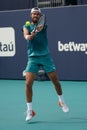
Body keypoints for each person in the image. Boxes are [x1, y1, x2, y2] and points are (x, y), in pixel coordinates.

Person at [23, 7, 69, 122]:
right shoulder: (26, 26)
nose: (35, 16)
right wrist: (29, 36)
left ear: (40, 16)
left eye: (37, 14)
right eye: (33, 14)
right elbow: (26, 35)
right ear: (31, 15)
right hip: (32, 57)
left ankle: (61, 101)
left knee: (55, 81)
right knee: (28, 83)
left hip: (45, 56)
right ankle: (30, 111)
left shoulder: (43, 25)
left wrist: (33, 33)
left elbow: (40, 27)